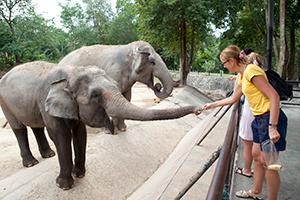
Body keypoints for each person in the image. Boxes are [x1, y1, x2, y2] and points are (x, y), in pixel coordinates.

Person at [194, 45, 288, 200]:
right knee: (257, 157)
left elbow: (274, 96)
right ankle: (256, 192)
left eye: (224, 63)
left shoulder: (251, 71)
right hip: (259, 120)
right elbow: (233, 98)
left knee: (270, 165)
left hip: (269, 118)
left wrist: (273, 127)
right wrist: (211, 105)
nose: (224, 67)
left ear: (231, 61)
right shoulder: (242, 75)